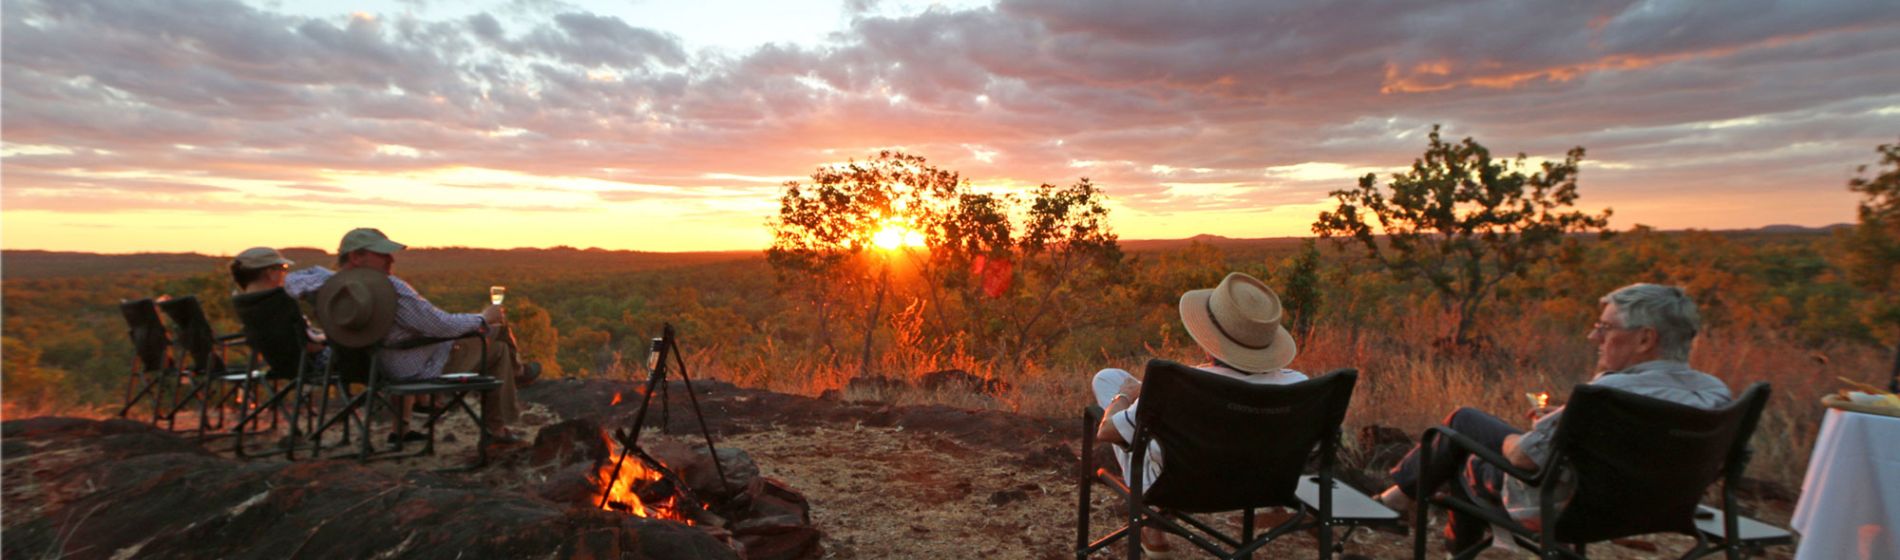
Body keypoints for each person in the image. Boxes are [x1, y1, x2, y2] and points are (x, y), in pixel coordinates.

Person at [1374, 283, 1732, 551]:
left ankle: (1399, 503)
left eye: (1605, 328)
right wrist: (1561, 423)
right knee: (1466, 434)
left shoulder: (1607, 395)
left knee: (1463, 432)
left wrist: (1532, 434)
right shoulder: (1717, 395)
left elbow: (1522, 458)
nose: (1595, 336)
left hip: (1569, 513)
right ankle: (1398, 498)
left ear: (1644, 339)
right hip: (1664, 510)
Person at [1091, 272, 1308, 557]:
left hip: (1176, 485)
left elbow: (1107, 432)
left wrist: (1126, 395)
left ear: (1208, 339)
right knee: (1114, 382)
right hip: (1260, 486)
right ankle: (1153, 526)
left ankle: (1152, 527)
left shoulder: (1178, 388)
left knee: (1112, 390)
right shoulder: (1299, 386)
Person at [285, 228, 536, 444]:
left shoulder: (331, 289)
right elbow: (440, 325)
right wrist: (483, 316)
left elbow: (293, 280)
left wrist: (341, 277)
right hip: (413, 368)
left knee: (482, 335)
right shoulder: (391, 289)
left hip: (371, 365)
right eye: (382, 254)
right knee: (497, 348)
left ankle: (400, 430)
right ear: (356, 257)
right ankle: (498, 428)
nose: (391, 259)